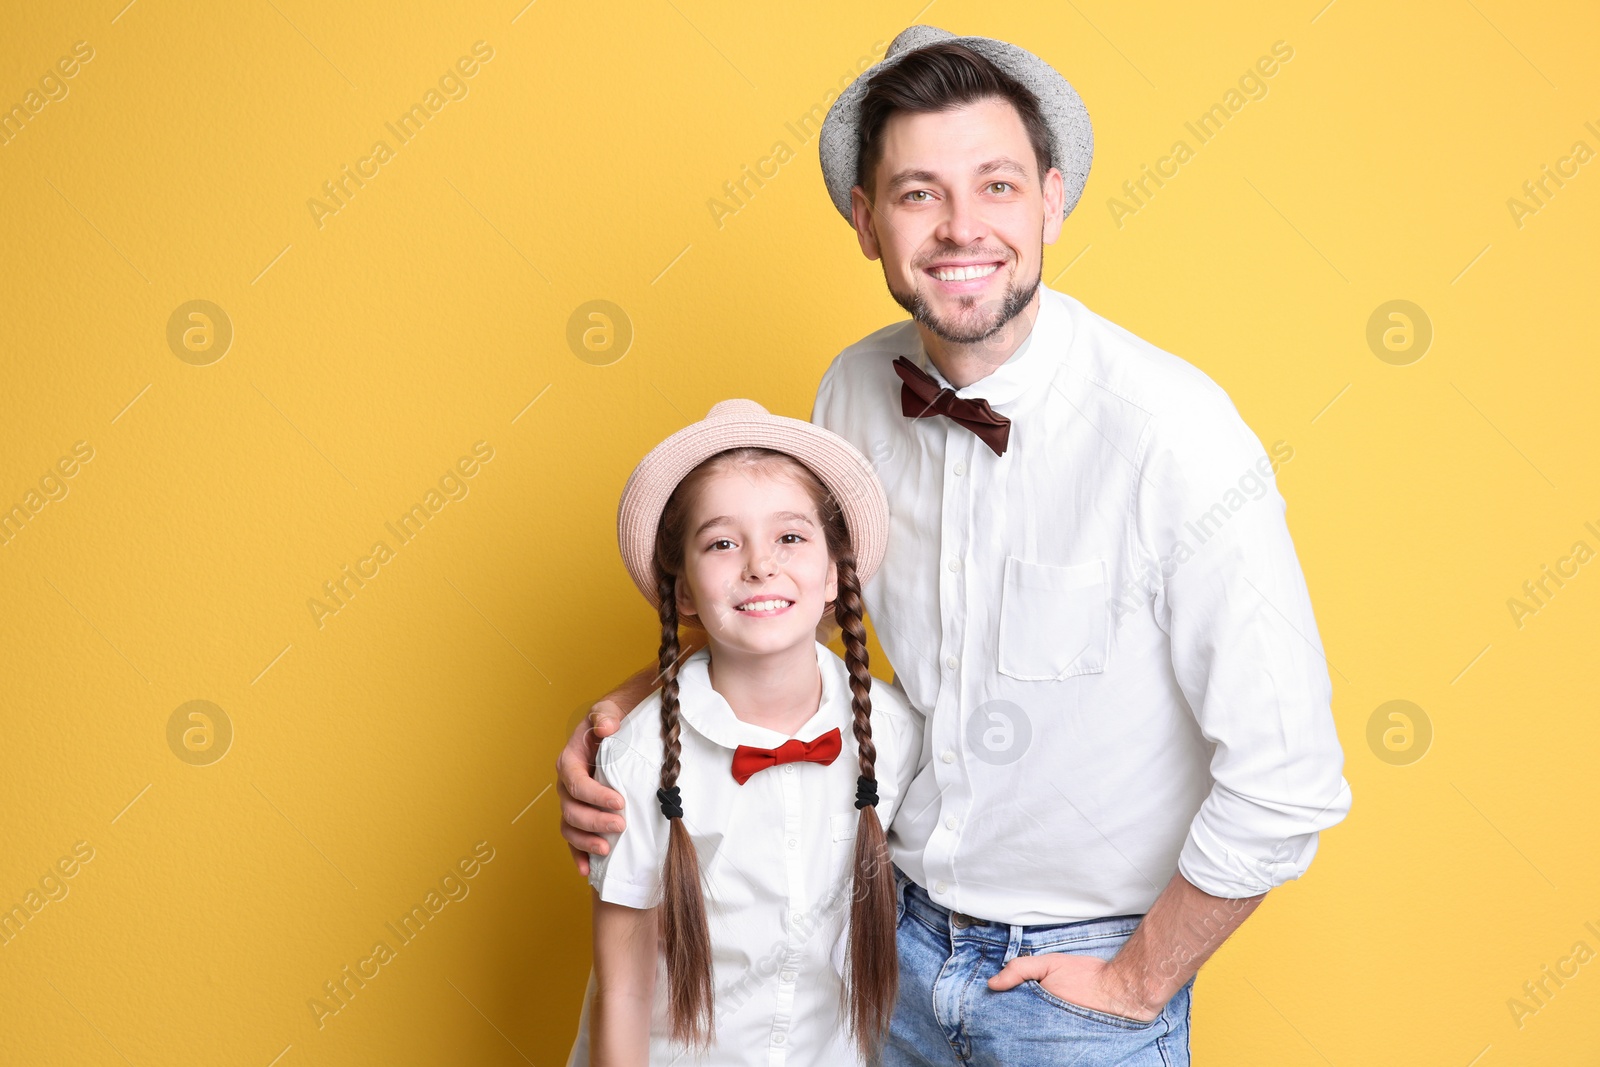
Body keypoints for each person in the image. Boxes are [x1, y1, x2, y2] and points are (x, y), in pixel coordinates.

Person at [562, 26, 1352, 1066]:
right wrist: (630, 704)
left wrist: (1135, 979)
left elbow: (1285, 780)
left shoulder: (1175, 432)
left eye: (996, 186)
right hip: (880, 947)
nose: (960, 227)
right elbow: (787, 598)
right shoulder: (849, 393)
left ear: (1052, 200)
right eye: (919, 193)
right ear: (865, 220)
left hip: (1076, 983)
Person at [576, 399, 923, 1066]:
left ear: (832, 575)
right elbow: (621, 992)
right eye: (722, 542)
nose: (760, 564)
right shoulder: (641, 757)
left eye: (790, 537)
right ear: (682, 592)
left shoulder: (895, 731)